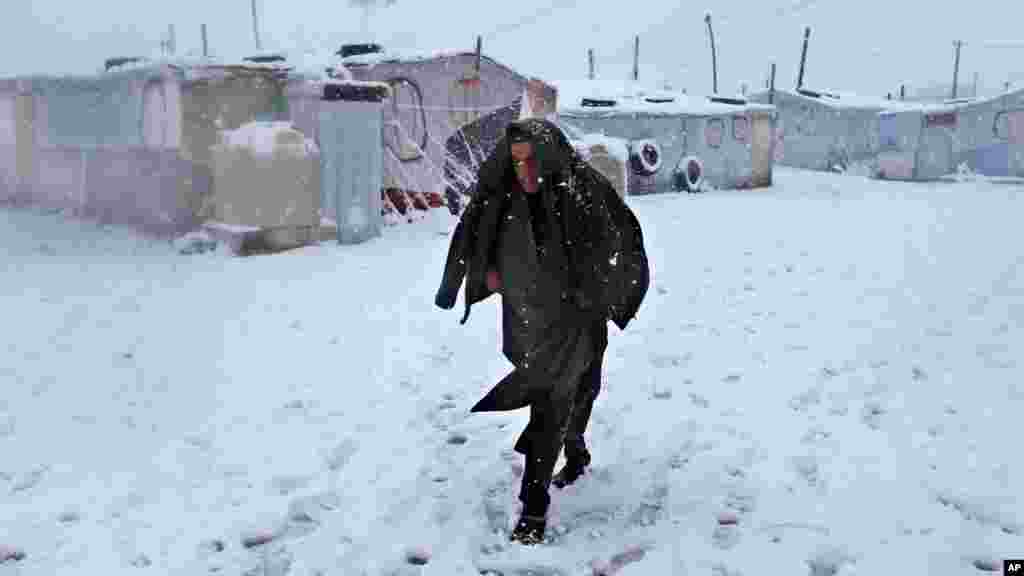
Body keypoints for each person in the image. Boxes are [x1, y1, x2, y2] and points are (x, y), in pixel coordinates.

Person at [435, 118, 649, 545]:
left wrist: (603, 295)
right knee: (558, 397)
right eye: (516, 163)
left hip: (577, 320)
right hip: (527, 319)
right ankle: (556, 476)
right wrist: (483, 275)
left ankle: (549, 485)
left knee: (568, 395)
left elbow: (622, 240)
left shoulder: (583, 191)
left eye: (531, 161)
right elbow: (473, 234)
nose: (524, 171)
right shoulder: (502, 196)